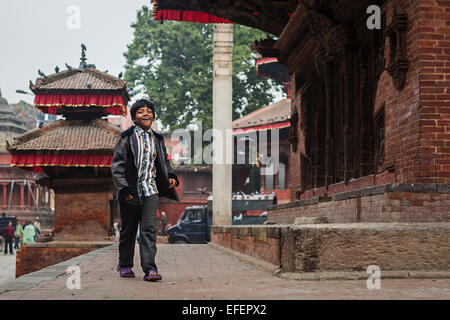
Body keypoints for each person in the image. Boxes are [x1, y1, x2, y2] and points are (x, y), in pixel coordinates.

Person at [111, 99, 179, 282]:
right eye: (141, 111)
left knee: (149, 230)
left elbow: (164, 162)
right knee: (129, 230)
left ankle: (150, 269)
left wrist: (171, 176)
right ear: (134, 117)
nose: (146, 114)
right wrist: (124, 188)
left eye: (149, 111)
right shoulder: (126, 138)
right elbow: (117, 167)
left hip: (151, 190)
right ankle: (125, 265)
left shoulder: (157, 139)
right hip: (131, 191)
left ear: (153, 116)